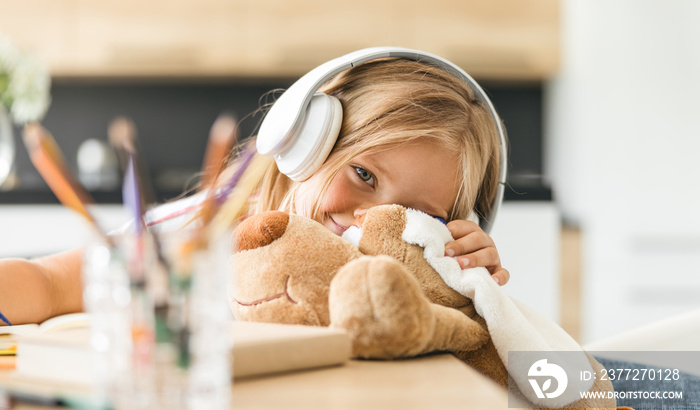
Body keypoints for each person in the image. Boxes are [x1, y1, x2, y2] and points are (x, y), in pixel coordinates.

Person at [0, 53, 509, 327]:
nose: (371, 219)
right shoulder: (206, 233)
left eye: (410, 212)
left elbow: (548, 383)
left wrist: (475, 298)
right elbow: (49, 284)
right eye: (364, 175)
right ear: (306, 140)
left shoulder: (411, 281)